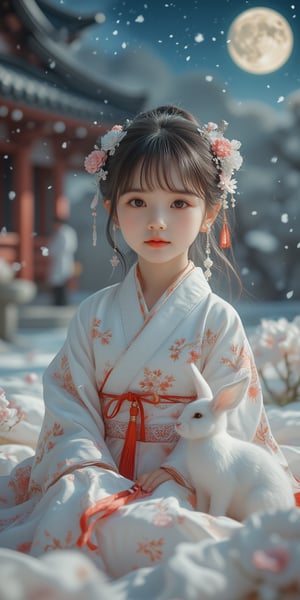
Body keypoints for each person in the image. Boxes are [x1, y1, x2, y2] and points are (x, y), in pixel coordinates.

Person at [0, 106, 299, 581]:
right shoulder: (94, 313)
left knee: (162, 530)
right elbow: (70, 402)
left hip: (186, 474)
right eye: (137, 201)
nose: (157, 221)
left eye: (179, 203)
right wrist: (89, 468)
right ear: (112, 208)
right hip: (99, 461)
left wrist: (178, 472)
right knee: (80, 511)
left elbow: (233, 412)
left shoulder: (216, 319)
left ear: (210, 212)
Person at [47, 216, 78, 306]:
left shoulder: (65, 232)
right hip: (59, 260)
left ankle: (61, 301)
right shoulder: (60, 232)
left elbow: (66, 247)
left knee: (62, 282)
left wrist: (53, 252)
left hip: (63, 260)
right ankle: (58, 301)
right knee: (57, 282)